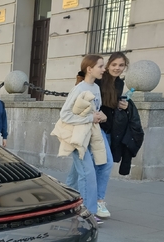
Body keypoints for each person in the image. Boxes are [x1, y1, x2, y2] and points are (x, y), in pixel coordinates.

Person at [52, 55, 108, 223]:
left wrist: (99, 116)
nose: (103, 69)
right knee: (87, 174)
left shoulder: (96, 88)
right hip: (77, 137)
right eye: (100, 66)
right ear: (89, 69)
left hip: (89, 135)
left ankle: (64, 204)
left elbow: (94, 110)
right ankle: (86, 212)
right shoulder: (79, 88)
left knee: (76, 175)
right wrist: (90, 119)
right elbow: (65, 115)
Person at [93, 52, 130, 218]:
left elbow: (113, 106)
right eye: (114, 65)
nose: (117, 68)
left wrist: (123, 105)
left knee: (94, 166)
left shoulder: (120, 83)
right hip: (96, 127)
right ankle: (99, 201)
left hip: (109, 130)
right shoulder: (100, 80)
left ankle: (75, 199)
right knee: (105, 163)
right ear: (108, 65)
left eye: (121, 65)